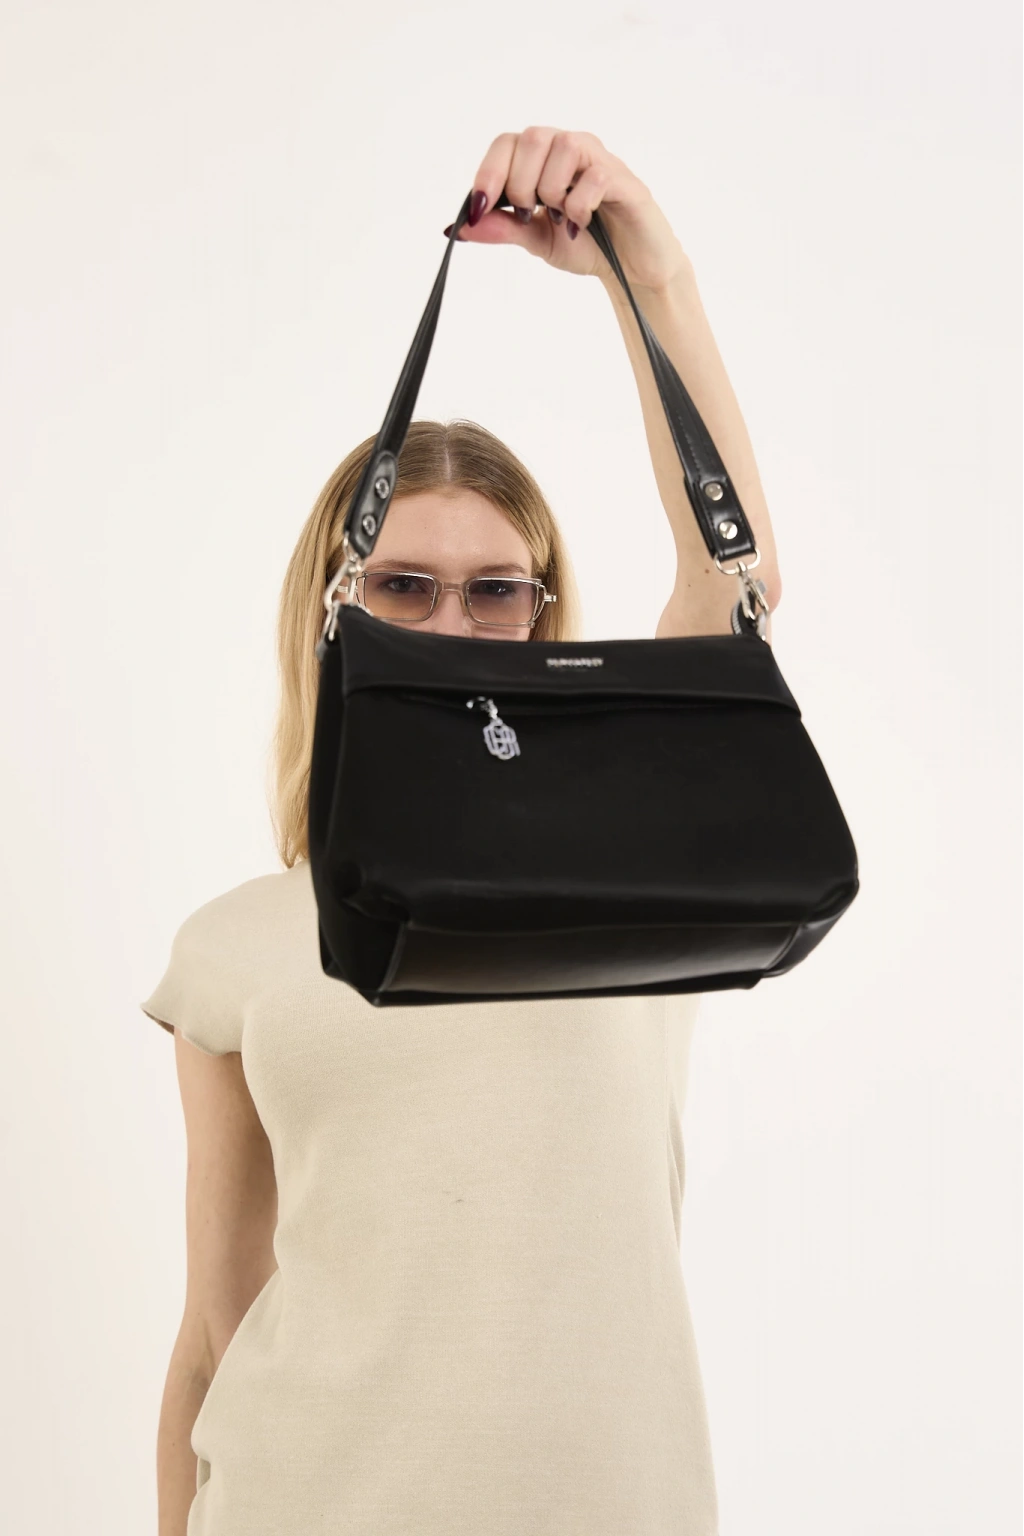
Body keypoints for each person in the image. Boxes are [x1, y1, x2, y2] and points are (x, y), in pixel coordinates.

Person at [141, 127, 783, 1536]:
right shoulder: (234, 945)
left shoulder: (626, 862)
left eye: (498, 589)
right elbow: (215, 1329)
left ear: (543, 617)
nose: (452, 624)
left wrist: (646, 276)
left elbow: (730, 577)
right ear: (333, 614)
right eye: (403, 587)